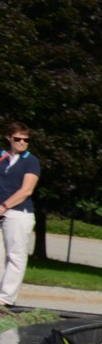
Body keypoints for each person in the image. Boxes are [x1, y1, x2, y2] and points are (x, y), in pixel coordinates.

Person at [0, 123, 42, 312]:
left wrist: (4, 206)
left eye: (26, 139)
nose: (22, 142)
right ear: (9, 138)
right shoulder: (2, 158)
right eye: (18, 139)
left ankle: (6, 297)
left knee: (15, 255)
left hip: (18, 213)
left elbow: (26, 190)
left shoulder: (30, 161)